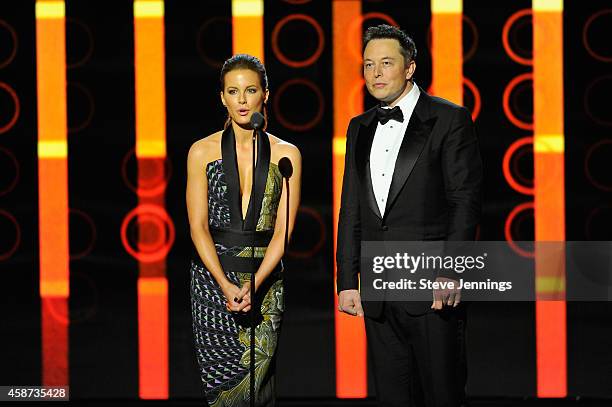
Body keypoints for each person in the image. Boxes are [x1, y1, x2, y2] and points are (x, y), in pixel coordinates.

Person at [336, 25, 482, 407]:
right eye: (369, 65)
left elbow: (465, 201)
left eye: (386, 63)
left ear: (410, 67)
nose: (376, 73)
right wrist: (347, 280)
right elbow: (351, 207)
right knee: (393, 397)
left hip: (432, 288)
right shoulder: (359, 127)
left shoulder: (449, 119)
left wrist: (452, 270)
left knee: (442, 394)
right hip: (379, 290)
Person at [186, 54, 301, 407]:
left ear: (265, 94)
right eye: (233, 91)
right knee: (222, 389)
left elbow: (283, 231)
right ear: (222, 97)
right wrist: (225, 283)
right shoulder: (201, 152)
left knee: (260, 385)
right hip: (211, 281)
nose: (241, 99)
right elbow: (198, 226)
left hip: (265, 280)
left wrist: (256, 283)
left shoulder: (287, 154)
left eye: (250, 90)